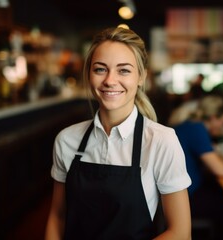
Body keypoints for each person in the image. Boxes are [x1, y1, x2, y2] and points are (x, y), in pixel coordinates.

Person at [45, 27, 192, 240]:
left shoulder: (161, 141)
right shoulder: (67, 140)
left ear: (141, 77)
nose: (110, 80)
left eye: (123, 70)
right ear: (89, 74)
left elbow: (180, 233)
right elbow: (58, 217)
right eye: (100, 69)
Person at [173, 94, 223, 240]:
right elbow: (220, 170)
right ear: (213, 118)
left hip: (182, 193)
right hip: (185, 198)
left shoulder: (189, 125)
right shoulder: (197, 129)